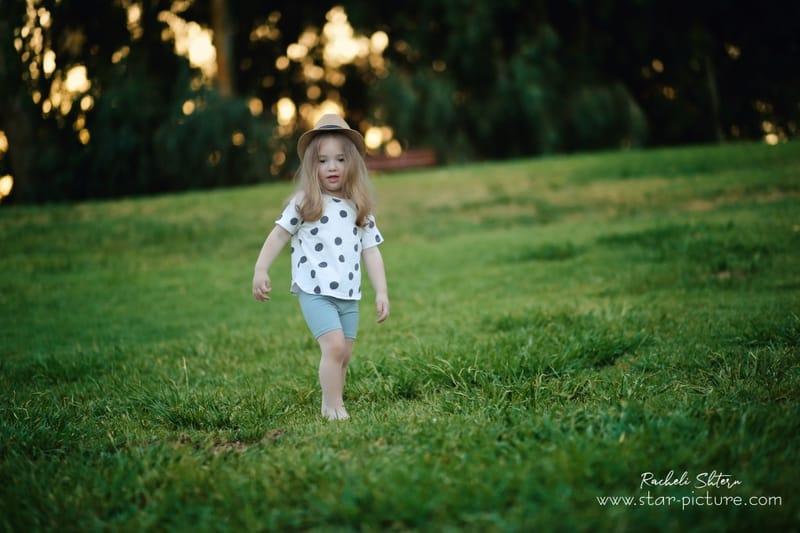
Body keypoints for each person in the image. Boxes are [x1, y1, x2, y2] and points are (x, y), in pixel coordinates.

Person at [252, 114, 389, 421]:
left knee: (345, 353)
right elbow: (278, 235)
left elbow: (372, 252)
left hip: (349, 294)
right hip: (314, 290)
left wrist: (381, 291)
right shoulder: (305, 202)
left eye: (340, 159)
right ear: (312, 166)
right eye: (323, 161)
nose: (332, 167)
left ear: (352, 164)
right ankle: (335, 408)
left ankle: (330, 403)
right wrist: (261, 269)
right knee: (334, 347)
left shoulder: (359, 207)